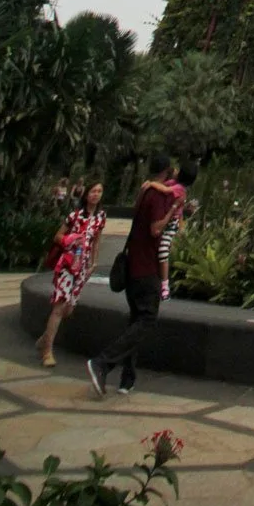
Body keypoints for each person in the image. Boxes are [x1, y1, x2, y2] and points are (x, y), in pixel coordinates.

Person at [87, 156, 177, 398]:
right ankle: (102, 363)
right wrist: (171, 211)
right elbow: (156, 229)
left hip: (133, 268)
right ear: (167, 172)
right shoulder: (160, 196)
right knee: (146, 319)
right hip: (146, 269)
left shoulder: (144, 192)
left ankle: (127, 378)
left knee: (136, 321)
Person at [36, 182, 106, 368]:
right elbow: (57, 236)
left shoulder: (100, 217)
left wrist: (94, 262)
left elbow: (97, 240)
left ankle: (44, 339)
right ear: (86, 194)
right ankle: (47, 352)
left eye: (99, 191)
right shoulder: (75, 216)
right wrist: (70, 239)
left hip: (82, 267)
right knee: (60, 306)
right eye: (93, 191)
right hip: (68, 264)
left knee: (68, 309)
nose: (96, 195)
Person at [156, 162, 199, 301]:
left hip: (170, 224)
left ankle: (164, 286)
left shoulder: (179, 189)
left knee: (163, 252)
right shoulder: (173, 183)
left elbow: (164, 190)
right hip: (163, 220)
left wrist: (150, 184)